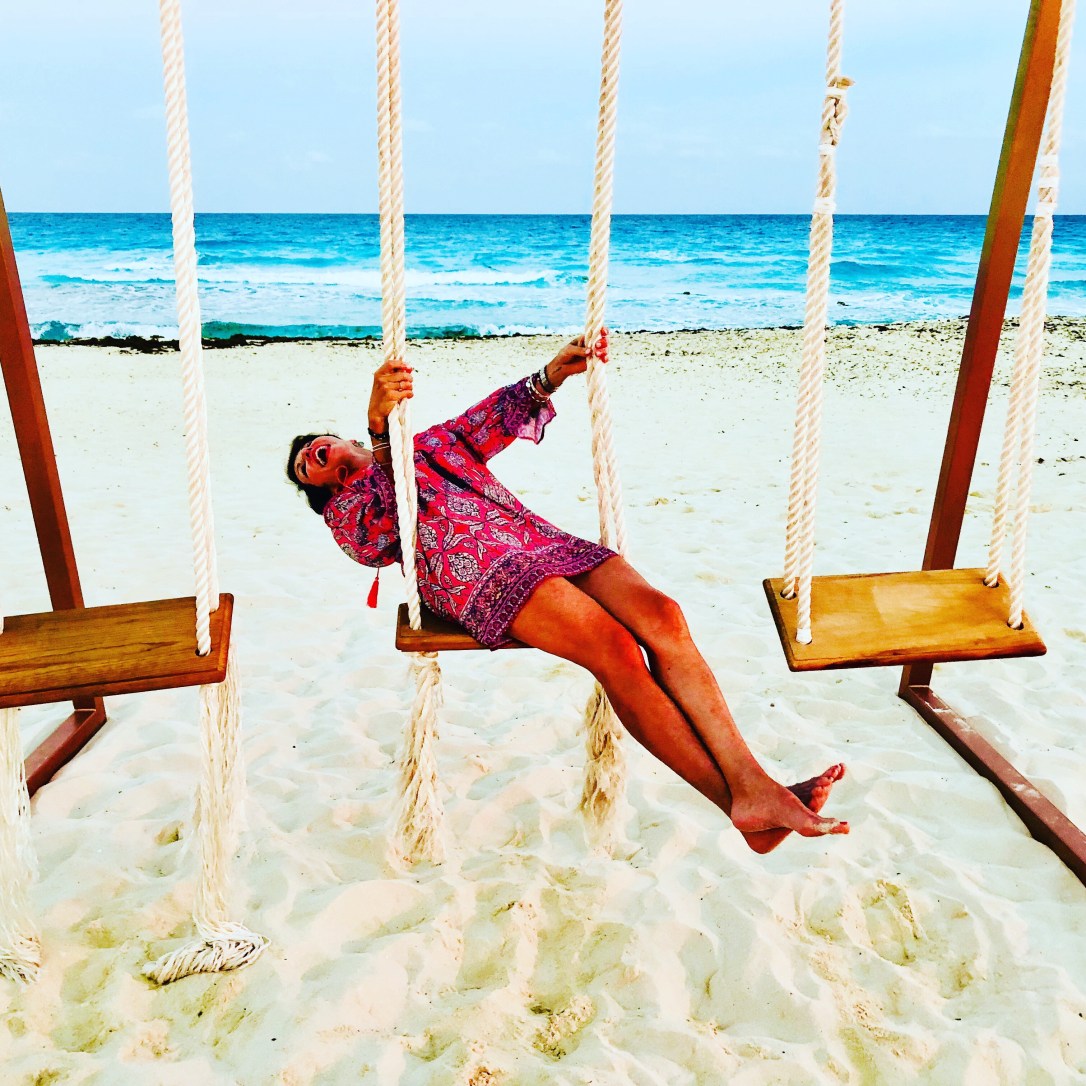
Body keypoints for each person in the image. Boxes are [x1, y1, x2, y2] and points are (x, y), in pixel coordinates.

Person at [287, 335, 848, 854]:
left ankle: (754, 787)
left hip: (540, 542)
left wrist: (551, 374)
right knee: (616, 649)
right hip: (477, 574)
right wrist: (381, 431)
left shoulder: (429, 443)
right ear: (321, 488)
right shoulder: (346, 513)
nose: (311, 454)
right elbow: (383, 531)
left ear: (343, 440)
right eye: (304, 467)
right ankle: (739, 802)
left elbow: (491, 416)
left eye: (315, 444)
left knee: (664, 617)